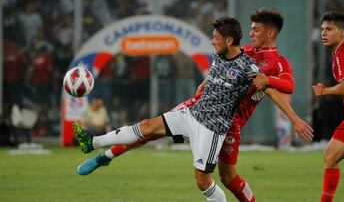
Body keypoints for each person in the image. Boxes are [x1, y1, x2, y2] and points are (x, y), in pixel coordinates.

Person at [74, 16, 313, 202]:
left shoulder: (265, 64)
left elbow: (285, 87)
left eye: (256, 29)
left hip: (223, 124)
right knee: (149, 128)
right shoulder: (238, 50)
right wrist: (205, 83)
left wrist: (291, 114)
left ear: (270, 33)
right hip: (196, 109)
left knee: (221, 178)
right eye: (250, 29)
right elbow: (221, 67)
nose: (251, 33)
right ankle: (99, 149)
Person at [312, 11, 344, 202]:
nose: (324, 33)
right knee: (330, 157)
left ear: (341, 33)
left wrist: (325, 91)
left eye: (329, 29)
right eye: (322, 29)